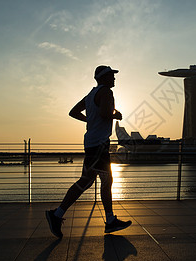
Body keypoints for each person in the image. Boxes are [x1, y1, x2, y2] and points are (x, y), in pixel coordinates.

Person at [46, 65, 132, 238]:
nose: (114, 78)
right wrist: (117, 115)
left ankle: (58, 215)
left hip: (91, 143)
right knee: (102, 180)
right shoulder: (106, 92)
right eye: (111, 76)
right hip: (99, 144)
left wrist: (89, 120)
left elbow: (73, 112)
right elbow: (105, 113)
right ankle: (107, 221)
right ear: (103, 78)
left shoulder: (91, 94)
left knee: (89, 181)